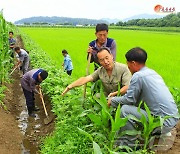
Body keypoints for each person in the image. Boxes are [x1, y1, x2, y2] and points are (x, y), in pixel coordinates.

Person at [108, 47, 179, 149]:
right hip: (173, 119)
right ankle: (161, 133)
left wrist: (112, 100)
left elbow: (129, 100)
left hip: (163, 122)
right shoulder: (152, 73)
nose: (128, 68)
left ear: (133, 63)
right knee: (138, 107)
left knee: (125, 110)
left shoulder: (138, 76)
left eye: (128, 65)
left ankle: (128, 146)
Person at [62, 47, 131, 97]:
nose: (106, 62)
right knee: (97, 96)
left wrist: (114, 94)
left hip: (122, 97)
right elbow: (85, 79)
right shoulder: (100, 71)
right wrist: (70, 86)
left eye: (107, 58)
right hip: (108, 96)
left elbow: (127, 87)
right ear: (99, 62)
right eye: (102, 60)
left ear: (111, 56)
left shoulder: (123, 68)